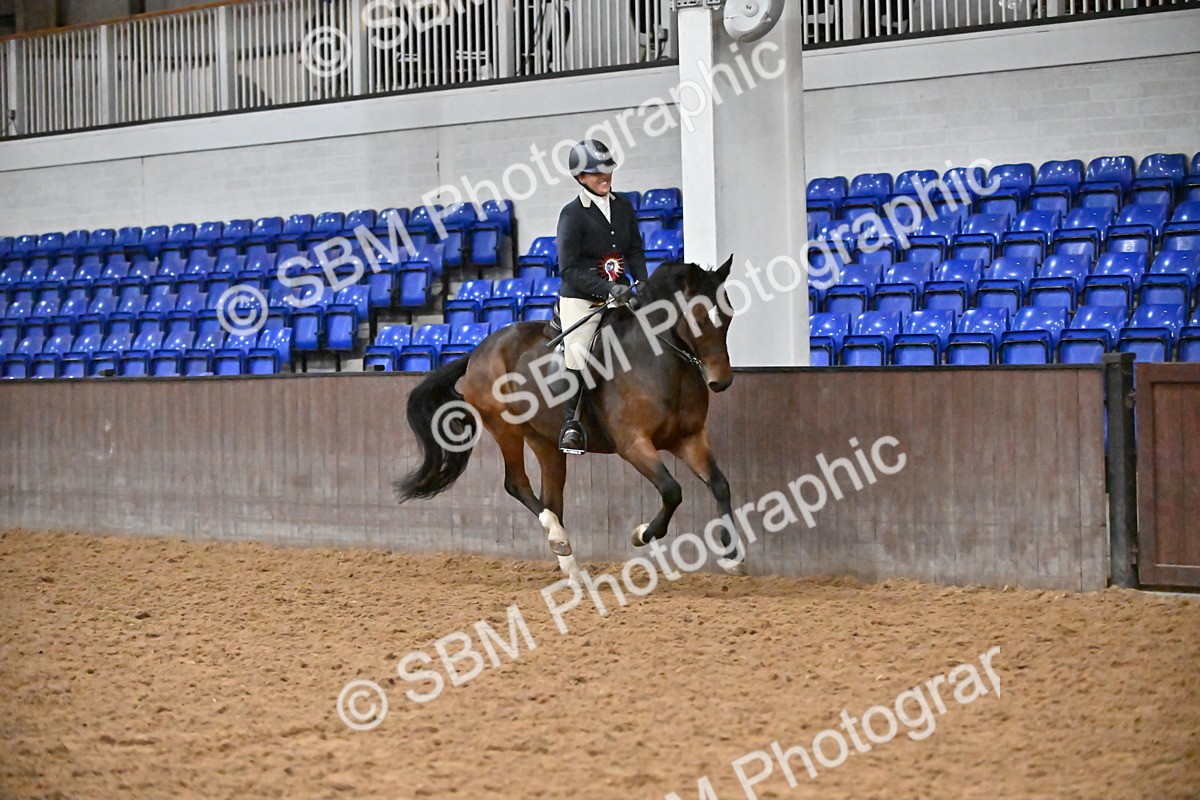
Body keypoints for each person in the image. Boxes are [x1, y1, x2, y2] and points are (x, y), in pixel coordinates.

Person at [554, 138, 647, 454]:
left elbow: (634, 250)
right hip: (582, 297)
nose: (605, 176)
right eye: (597, 172)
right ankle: (571, 424)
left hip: (621, 293)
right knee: (578, 351)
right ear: (581, 177)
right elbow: (568, 269)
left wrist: (642, 282)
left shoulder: (623, 206)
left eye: (607, 169)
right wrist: (608, 289)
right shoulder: (572, 214)